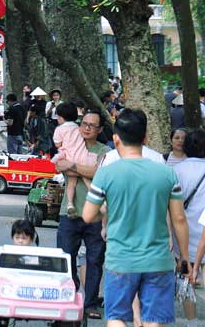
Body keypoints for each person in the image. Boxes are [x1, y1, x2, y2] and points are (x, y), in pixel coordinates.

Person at [83, 108, 190, 327]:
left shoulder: (106, 172)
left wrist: (107, 209)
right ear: (145, 137)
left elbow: (87, 215)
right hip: (158, 260)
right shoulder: (167, 173)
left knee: (116, 318)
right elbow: (179, 219)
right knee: (153, 321)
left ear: (116, 138)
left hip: (120, 259)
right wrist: (184, 258)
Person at [55, 108, 109, 322]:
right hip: (69, 212)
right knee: (65, 257)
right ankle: (71, 295)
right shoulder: (69, 143)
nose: (87, 128)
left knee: (95, 260)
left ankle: (90, 303)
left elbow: (99, 173)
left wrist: (74, 166)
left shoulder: (105, 150)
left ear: (100, 129)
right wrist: (83, 168)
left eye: (92, 125)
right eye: (84, 123)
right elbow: (60, 166)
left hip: (96, 213)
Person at [174, 130, 205, 326]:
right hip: (204, 230)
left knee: (185, 276)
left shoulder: (177, 170)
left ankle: (192, 321)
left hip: (183, 231)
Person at [50, 102, 98, 219]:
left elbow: (58, 144)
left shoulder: (59, 129)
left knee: (71, 184)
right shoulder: (78, 128)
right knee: (87, 180)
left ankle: (70, 204)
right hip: (83, 156)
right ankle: (98, 202)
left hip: (70, 157)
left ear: (60, 117)